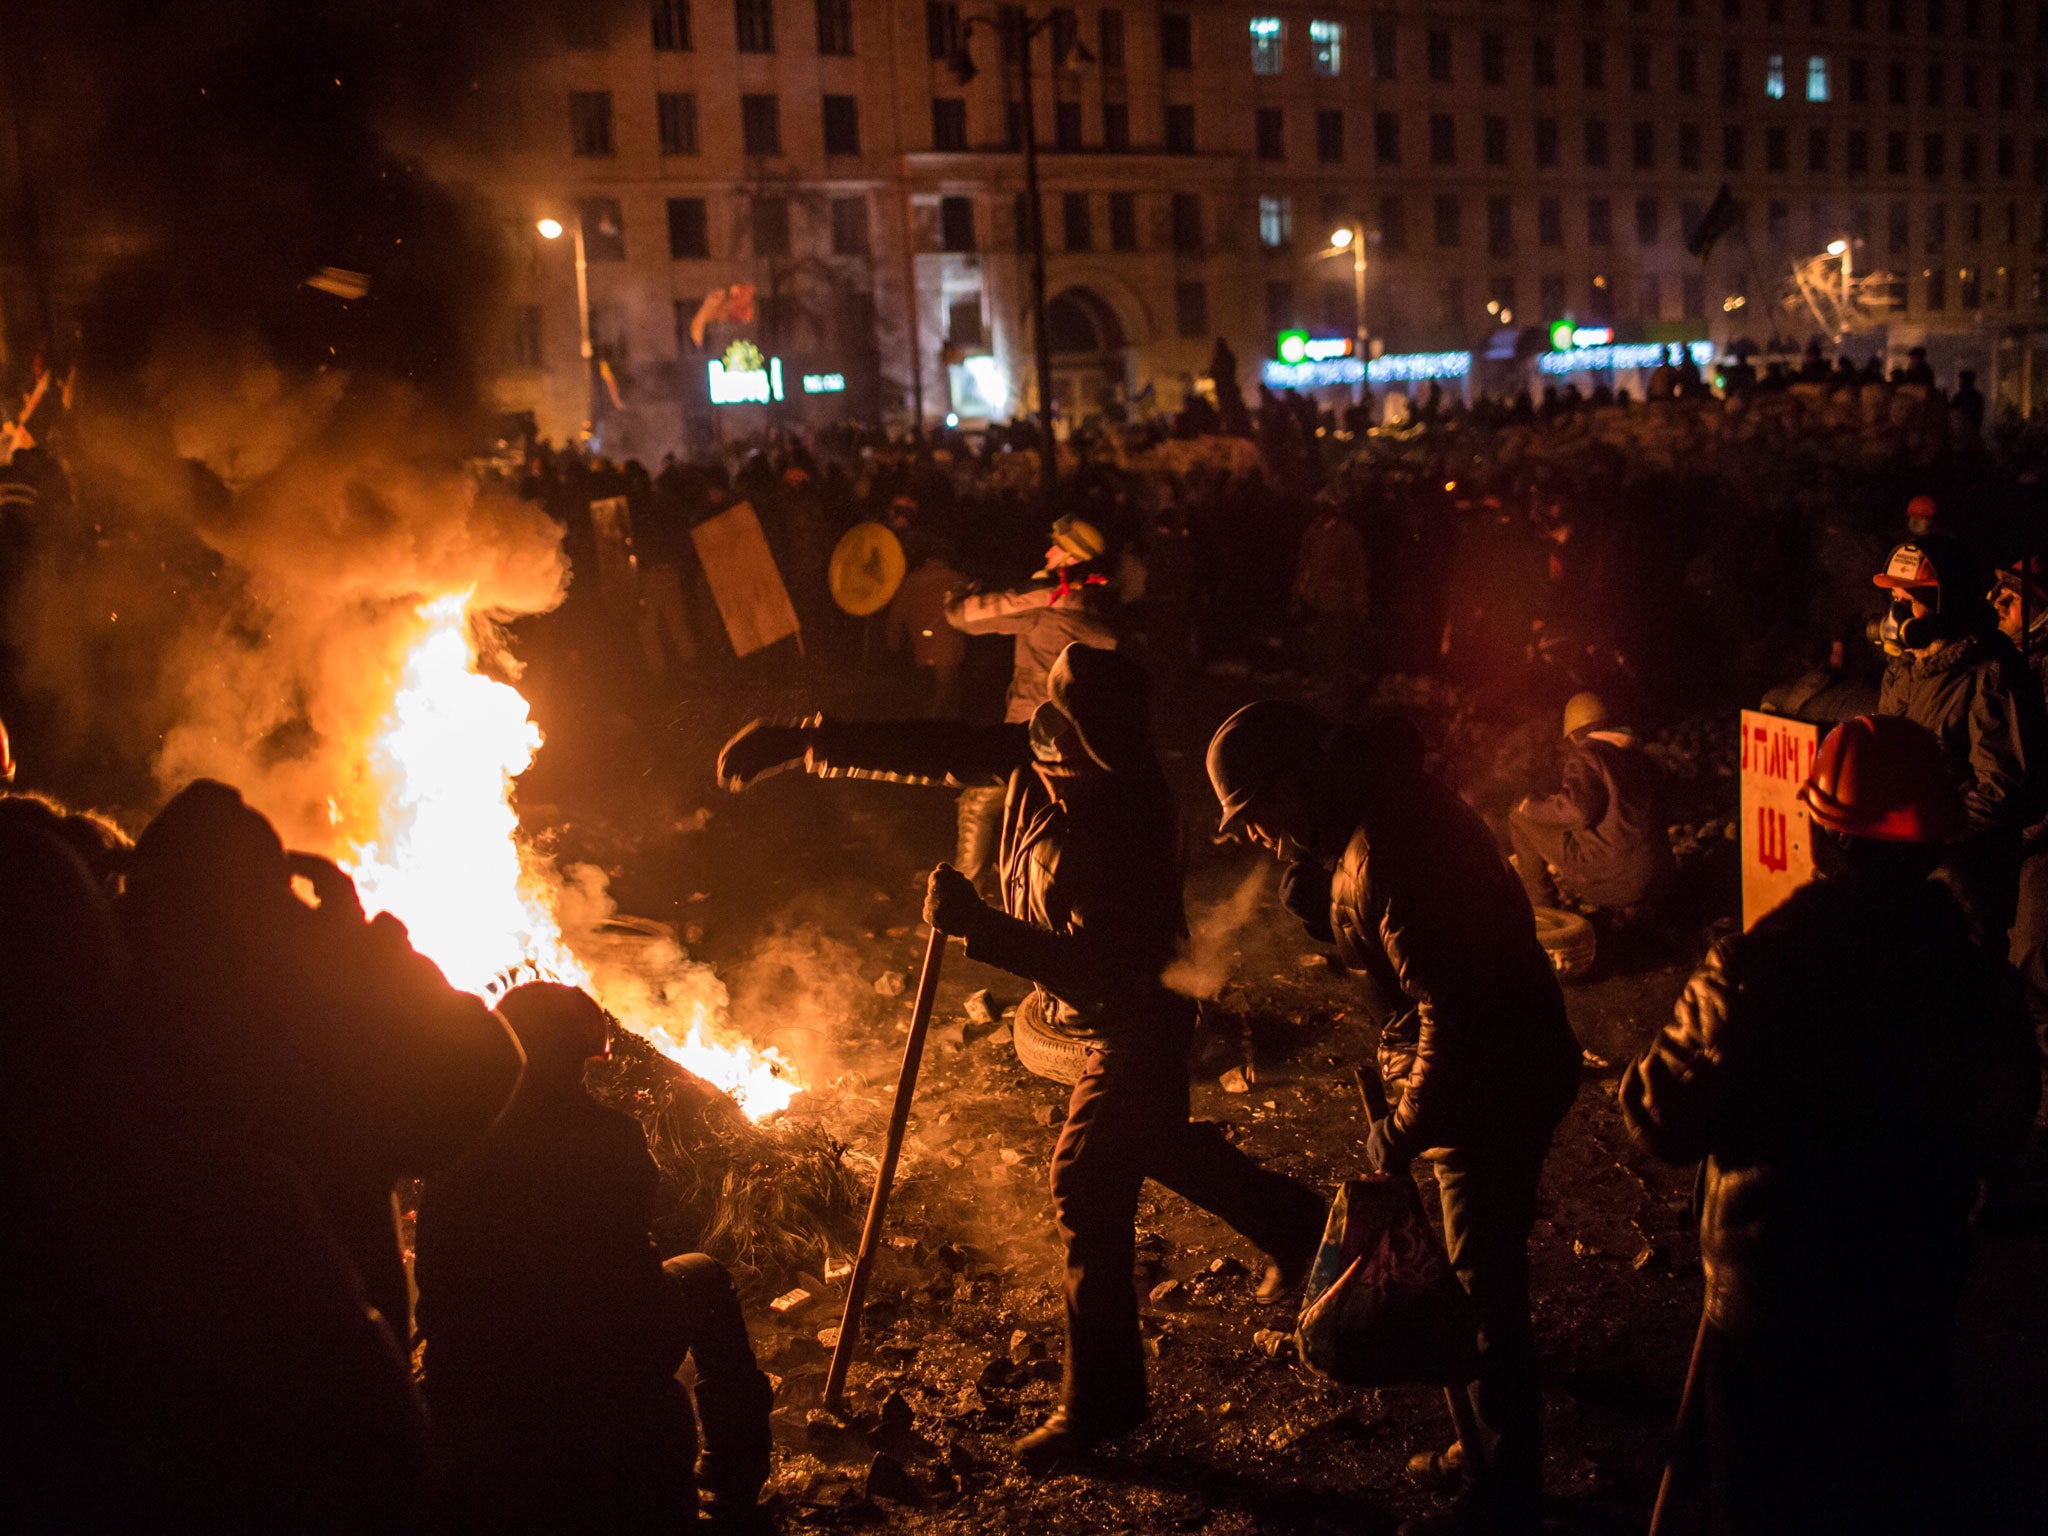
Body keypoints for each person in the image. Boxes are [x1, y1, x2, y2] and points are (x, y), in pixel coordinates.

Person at [717, 646, 1327, 1470]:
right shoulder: (1045, 749)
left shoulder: (1130, 815)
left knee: (1087, 1173)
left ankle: (1103, 1403)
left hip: (1137, 1014)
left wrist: (981, 927)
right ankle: (1301, 1227)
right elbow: (939, 748)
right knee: (1148, 1140)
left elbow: (1106, 972)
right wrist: (801, 743)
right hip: (1077, 1009)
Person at [1619, 715, 2036, 1536]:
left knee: (1765, 1507)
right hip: (1911, 1299)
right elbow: (2005, 1125)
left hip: (1772, 1311)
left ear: (1820, 833)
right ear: (1932, 844)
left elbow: (1661, 1123)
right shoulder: (1974, 974)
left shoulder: (1754, 966)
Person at [1205, 701, 1580, 1536]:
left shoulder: (1391, 849)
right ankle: (1482, 1446)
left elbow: (1452, 1006)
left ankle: (1505, 1490)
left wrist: (1404, 1128)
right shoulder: (1361, 830)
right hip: (1485, 1070)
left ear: (1295, 781)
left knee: (1483, 1282)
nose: (1255, 835)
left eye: (1258, 813)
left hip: (1499, 1076)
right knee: (1468, 1263)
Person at [117, 779, 524, 1343]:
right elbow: (486, 1062)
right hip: (320, 1349)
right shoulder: (315, 1026)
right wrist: (368, 952)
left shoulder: (103, 993)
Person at [415, 982, 772, 1534]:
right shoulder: (612, 1137)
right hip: (595, 1354)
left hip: (477, 1366)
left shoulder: (450, 1137)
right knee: (702, 1276)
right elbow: (626, 1258)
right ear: (581, 1058)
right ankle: (731, 1488)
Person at [1872, 535, 2048, 939]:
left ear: (1945, 605)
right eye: (1895, 599)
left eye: (1909, 600)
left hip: (1962, 886)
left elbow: (2003, 790)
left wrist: (1924, 835)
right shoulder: (1905, 672)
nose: (1897, 612)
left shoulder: (1990, 676)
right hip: (1908, 865)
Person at [943, 515, 1119, 894]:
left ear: (1069, 559)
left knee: (979, 801)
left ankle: (961, 896)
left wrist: (955, 598)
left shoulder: (1046, 602)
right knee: (1051, 820)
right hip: (1080, 741)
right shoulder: (1099, 606)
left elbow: (968, 616)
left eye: (1056, 547)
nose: (1048, 550)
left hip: (1028, 732)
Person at [1506, 692, 1673, 918]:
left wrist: (1530, 807)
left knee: (1519, 818)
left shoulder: (1587, 755)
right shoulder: (1637, 755)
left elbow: (1577, 811)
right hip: (1659, 876)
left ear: (1574, 734)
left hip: (1611, 883)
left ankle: (1544, 915)